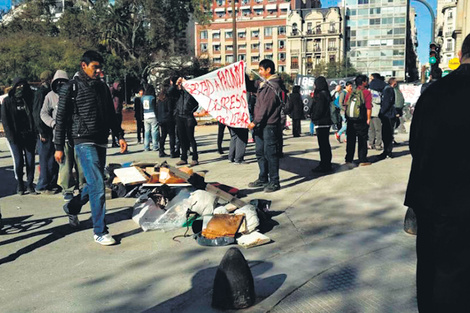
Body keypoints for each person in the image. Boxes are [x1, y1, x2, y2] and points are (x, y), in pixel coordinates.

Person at [404, 33, 470, 312]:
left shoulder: (433, 93)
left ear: (461, 53)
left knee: (435, 278)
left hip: (436, 204)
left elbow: (415, 146)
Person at [54, 50, 127, 246]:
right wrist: (58, 146)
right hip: (82, 140)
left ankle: (73, 206)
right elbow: (60, 119)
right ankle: (100, 231)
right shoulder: (71, 88)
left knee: (97, 181)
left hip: (101, 139)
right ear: (83, 65)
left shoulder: (103, 88)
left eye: (100, 67)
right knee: (97, 185)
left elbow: (111, 115)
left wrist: (119, 135)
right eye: (95, 67)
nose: (99, 71)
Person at [41, 70, 85, 201]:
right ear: (53, 83)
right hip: (61, 137)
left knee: (81, 164)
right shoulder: (50, 96)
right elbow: (43, 113)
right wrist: (53, 123)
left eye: (63, 82)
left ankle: (83, 186)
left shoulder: (75, 93)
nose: (60, 84)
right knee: (65, 166)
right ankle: (67, 189)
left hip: (77, 135)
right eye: (57, 82)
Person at [247, 59, 285, 192]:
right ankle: (263, 178)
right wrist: (241, 73)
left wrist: (255, 122)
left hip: (269, 125)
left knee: (271, 154)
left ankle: (274, 181)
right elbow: (250, 86)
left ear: (268, 70)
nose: (259, 72)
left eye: (261, 70)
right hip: (260, 125)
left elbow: (265, 108)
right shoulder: (263, 83)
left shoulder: (273, 85)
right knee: (260, 152)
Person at [1, 78, 37, 195]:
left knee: (30, 161)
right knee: (19, 161)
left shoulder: (29, 99)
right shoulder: (7, 101)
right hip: (15, 137)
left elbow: (34, 116)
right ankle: (20, 184)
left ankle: (30, 184)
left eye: (23, 86)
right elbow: (5, 121)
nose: (20, 88)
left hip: (29, 135)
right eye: (18, 86)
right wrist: (10, 136)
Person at [34, 70, 56, 193]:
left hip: (49, 129)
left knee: (51, 159)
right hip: (45, 131)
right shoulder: (41, 93)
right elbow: (37, 114)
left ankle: (51, 183)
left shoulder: (47, 92)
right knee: (45, 158)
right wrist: (41, 131)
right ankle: (42, 185)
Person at [170, 77, 199, 167]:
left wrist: (191, 111)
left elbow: (196, 102)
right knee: (181, 138)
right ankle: (183, 158)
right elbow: (169, 93)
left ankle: (195, 158)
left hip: (188, 116)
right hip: (179, 116)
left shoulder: (192, 92)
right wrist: (175, 85)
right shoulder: (178, 93)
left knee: (191, 138)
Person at [344, 75, 372, 166]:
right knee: (362, 140)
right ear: (363, 82)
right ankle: (362, 159)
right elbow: (368, 107)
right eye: (366, 81)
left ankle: (349, 159)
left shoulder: (350, 93)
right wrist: (368, 119)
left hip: (351, 120)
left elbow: (346, 105)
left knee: (351, 140)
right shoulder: (366, 93)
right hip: (361, 120)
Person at [310, 76, 333, 172]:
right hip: (326, 121)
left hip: (321, 122)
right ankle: (326, 163)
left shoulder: (321, 95)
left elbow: (319, 109)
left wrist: (313, 117)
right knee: (325, 144)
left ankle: (324, 164)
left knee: (323, 145)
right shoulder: (326, 93)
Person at [155, 81, 177, 158]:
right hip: (169, 119)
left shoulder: (159, 100)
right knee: (172, 136)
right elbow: (170, 109)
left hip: (161, 119)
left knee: (163, 136)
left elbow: (157, 110)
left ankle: (161, 151)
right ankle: (172, 151)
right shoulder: (168, 99)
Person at [378, 77, 397, 159]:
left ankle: (388, 151)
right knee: (387, 133)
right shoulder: (389, 90)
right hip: (388, 114)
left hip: (387, 114)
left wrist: (381, 112)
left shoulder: (387, 90)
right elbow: (387, 102)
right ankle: (387, 151)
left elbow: (386, 102)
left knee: (387, 134)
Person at [368, 73, 386, 150]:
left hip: (375, 111)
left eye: (371, 78)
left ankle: (377, 143)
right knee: (372, 129)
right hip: (372, 111)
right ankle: (371, 143)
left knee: (377, 129)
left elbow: (378, 100)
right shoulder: (372, 89)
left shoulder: (375, 90)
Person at [142, 85, 159, 152]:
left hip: (146, 115)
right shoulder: (152, 98)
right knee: (154, 131)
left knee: (146, 132)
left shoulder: (143, 98)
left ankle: (146, 146)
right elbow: (155, 107)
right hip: (153, 115)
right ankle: (155, 146)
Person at [110, 80, 123, 147]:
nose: (119, 87)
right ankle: (114, 141)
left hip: (119, 111)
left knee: (119, 127)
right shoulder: (113, 93)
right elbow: (111, 90)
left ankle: (118, 140)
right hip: (114, 112)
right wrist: (113, 86)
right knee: (114, 128)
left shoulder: (119, 94)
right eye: (118, 86)